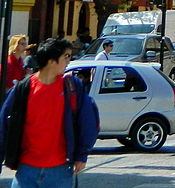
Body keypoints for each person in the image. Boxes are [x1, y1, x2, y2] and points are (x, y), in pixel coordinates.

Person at [0, 37, 100, 187]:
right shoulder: (23, 89)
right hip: (26, 171)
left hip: (60, 171)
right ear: (51, 60)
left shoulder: (72, 88)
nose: (69, 61)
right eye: (66, 56)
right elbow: (3, 126)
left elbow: (89, 122)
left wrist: (82, 155)